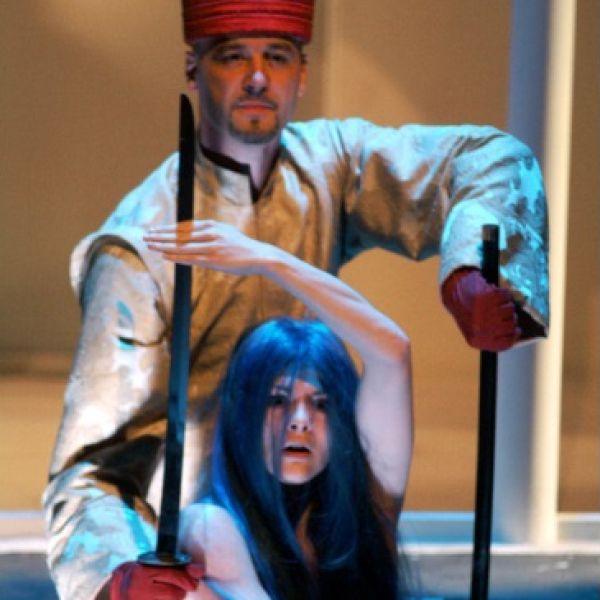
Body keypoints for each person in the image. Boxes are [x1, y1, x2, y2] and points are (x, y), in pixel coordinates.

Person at [42, 1, 549, 598]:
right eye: (234, 56)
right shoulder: (140, 250)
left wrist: (472, 268)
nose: (258, 78)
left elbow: (491, 160)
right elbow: (91, 472)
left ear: (302, 74)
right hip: (204, 555)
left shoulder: (327, 165)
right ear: (194, 69)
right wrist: (117, 577)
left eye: (277, 57)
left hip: (321, 528)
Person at [148, 220, 413, 599]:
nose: (300, 422)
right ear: (244, 416)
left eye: (320, 405)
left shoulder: (369, 507)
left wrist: (269, 261)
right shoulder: (209, 527)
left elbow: (392, 352)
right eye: (277, 401)